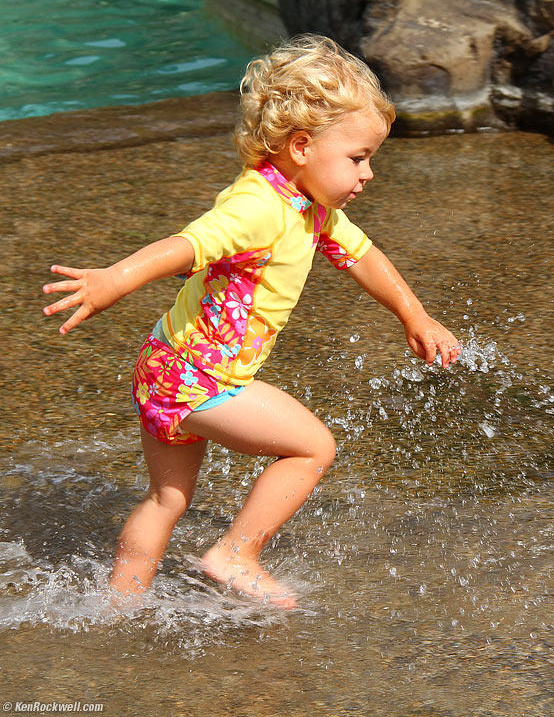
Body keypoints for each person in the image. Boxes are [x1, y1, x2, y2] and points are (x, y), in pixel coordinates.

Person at [42, 34, 460, 609]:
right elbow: (188, 245)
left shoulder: (307, 203)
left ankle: (117, 605)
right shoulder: (258, 206)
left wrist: (415, 315)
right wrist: (116, 278)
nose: (368, 174)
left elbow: (362, 255)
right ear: (302, 146)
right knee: (312, 448)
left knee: (167, 500)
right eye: (358, 158)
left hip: (164, 366)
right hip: (199, 379)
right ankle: (235, 555)